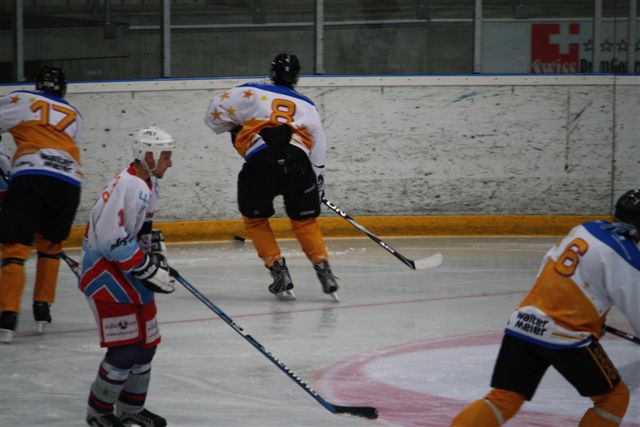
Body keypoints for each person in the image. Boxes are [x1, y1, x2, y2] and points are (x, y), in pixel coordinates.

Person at [451, 189, 640, 427]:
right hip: (566, 336)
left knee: (504, 398)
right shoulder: (628, 257)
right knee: (613, 398)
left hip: (523, 322)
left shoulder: (586, 228)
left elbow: (553, 266)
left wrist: (595, 319)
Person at [204, 52, 339, 302]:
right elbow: (319, 143)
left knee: (256, 221)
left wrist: (232, 126)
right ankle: (324, 271)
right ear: (297, 77)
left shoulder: (251, 91)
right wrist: (316, 178)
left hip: (260, 164)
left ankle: (278, 270)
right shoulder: (308, 105)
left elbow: (213, 110)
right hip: (298, 164)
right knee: (305, 222)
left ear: (272, 72)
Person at [79, 126, 175, 427]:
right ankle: (98, 412)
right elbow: (111, 240)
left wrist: (155, 254)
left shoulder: (148, 183)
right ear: (149, 156)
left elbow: (142, 230)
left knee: (146, 345)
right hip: (104, 275)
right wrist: (148, 269)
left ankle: (130, 410)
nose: (170, 163)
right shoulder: (129, 186)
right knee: (125, 350)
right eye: (166, 156)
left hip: (127, 270)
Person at [0, 66, 83, 343]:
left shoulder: (23, 98)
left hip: (32, 175)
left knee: (15, 248)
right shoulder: (75, 114)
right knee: (50, 247)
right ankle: (42, 309)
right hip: (69, 182)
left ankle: (7, 317)